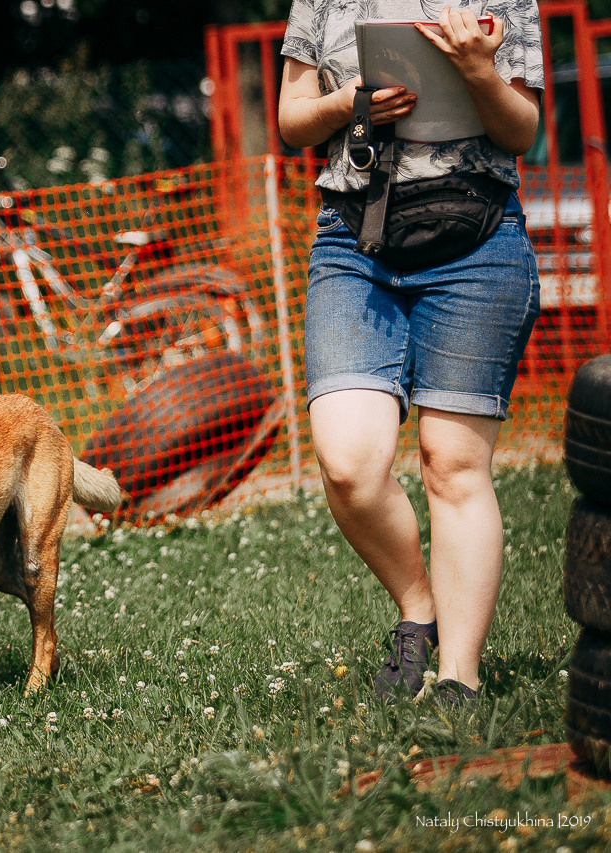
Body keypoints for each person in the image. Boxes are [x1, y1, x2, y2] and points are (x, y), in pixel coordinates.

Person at [277, 1, 543, 705]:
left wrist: (479, 72)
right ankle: (419, 606)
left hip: (478, 241)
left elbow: (523, 130)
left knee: (452, 463)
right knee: (347, 464)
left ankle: (459, 677)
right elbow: (291, 120)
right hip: (354, 241)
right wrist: (348, 103)